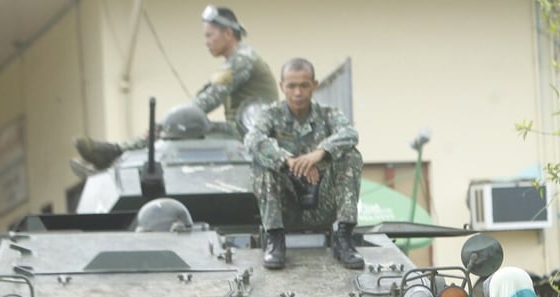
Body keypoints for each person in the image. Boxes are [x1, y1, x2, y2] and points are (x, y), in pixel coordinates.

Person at [74, 5, 278, 170]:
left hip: (251, 136)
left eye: (209, 35)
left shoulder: (242, 60)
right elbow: (204, 96)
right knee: (179, 128)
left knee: (181, 132)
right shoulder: (236, 60)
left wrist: (163, 126)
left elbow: (206, 102)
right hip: (243, 132)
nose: (206, 42)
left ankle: (115, 154)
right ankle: (115, 154)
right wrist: (165, 124)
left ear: (227, 33)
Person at [244, 57, 364, 270]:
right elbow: (252, 140)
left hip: (323, 202)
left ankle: (344, 237)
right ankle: (274, 239)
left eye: (304, 85)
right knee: (263, 162)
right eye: (291, 86)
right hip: (284, 205)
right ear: (282, 87)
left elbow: (350, 133)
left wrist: (319, 153)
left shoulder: (328, 114)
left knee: (350, 155)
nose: (298, 93)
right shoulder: (271, 115)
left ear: (314, 86)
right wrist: (288, 161)